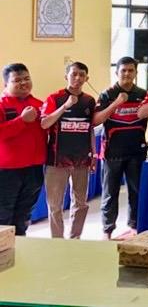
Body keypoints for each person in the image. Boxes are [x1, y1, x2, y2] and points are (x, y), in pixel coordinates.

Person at [39, 62, 101, 239]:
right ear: (66, 76)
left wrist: (93, 154)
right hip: (56, 160)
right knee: (55, 205)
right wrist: (65, 106)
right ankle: (57, 240)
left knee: (81, 203)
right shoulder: (54, 98)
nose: (78, 78)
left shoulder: (89, 100)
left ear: (87, 78)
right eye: (74, 74)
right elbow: (44, 124)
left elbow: (90, 129)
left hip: (81, 160)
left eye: (82, 75)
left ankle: (75, 238)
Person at [96, 57, 148, 240]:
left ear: (136, 73)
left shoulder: (143, 94)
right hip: (112, 152)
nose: (127, 74)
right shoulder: (107, 94)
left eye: (130, 70)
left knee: (137, 192)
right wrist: (116, 103)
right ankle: (107, 230)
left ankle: (135, 227)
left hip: (137, 151)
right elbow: (96, 120)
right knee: (110, 194)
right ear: (117, 72)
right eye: (123, 70)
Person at [0, 63, 45, 236]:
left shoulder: (40, 104)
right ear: (6, 84)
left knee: (24, 213)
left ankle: (19, 244)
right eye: (17, 80)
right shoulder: (2, 104)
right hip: (7, 171)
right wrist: (21, 121)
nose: (23, 83)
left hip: (34, 169)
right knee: (3, 213)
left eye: (26, 78)